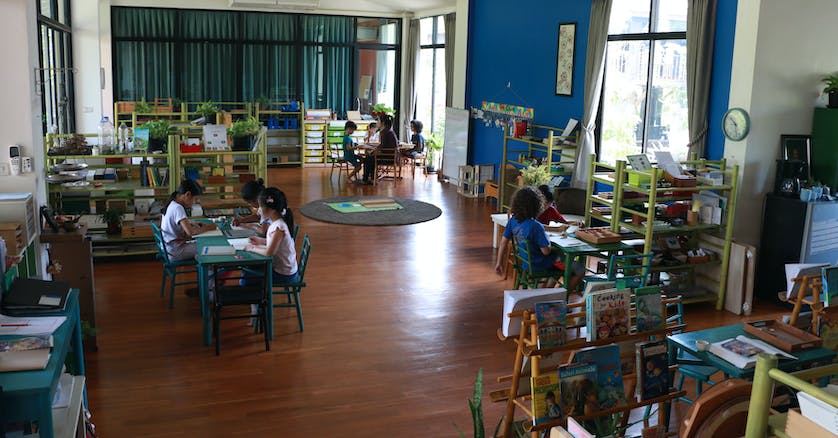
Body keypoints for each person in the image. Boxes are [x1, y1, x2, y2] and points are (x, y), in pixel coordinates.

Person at [494, 187, 584, 291]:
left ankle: (546, 293)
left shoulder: (513, 221)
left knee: (557, 268)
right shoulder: (536, 226)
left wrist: (499, 263)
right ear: (537, 206)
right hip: (542, 264)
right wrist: (549, 243)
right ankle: (561, 295)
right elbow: (546, 252)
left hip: (527, 263)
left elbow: (503, 243)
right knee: (579, 269)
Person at [244, 187, 299, 285]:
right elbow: (277, 243)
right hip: (282, 270)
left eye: (261, 207)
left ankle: (260, 299)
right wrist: (261, 241)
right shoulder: (277, 223)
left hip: (284, 275)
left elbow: (269, 252)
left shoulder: (278, 228)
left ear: (272, 210)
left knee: (247, 278)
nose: (259, 210)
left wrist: (252, 248)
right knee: (248, 270)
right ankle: (259, 297)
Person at [161, 179, 215, 261]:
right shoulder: (178, 208)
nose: (195, 202)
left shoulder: (172, 202)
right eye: (195, 199)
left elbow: (181, 224)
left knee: (201, 249)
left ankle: (201, 263)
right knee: (206, 246)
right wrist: (210, 227)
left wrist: (193, 224)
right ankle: (208, 270)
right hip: (175, 251)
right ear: (187, 194)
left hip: (169, 248)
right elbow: (190, 233)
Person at [361, 114, 398, 184]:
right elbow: (382, 145)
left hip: (388, 157)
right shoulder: (388, 131)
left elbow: (382, 146)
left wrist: (374, 151)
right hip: (392, 156)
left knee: (368, 158)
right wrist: (374, 150)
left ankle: (367, 179)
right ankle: (370, 178)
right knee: (370, 157)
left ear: (383, 123)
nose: (377, 122)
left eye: (378, 121)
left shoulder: (384, 132)